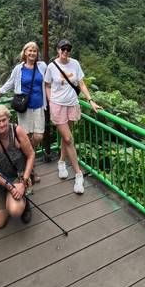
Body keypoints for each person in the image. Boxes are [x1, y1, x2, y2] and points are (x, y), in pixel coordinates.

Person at [44, 39, 102, 194]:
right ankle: (78, 174)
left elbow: (81, 84)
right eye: (63, 48)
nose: (65, 51)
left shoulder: (75, 64)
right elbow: (47, 85)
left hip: (72, 104)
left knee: (66, 137)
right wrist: (50, 101)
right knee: (69, 139)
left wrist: (90, 101)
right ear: (57, 50)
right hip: (58, 105)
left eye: (68, 49)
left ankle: (62, 162)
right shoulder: (51, 66)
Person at [0, 41, 47, 183]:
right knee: (26, 137)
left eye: (34, 51)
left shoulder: (42, 66)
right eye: (29, 50)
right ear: (24, 53)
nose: (32, 53)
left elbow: (49, 82)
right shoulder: (19, 69)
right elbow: (9, 83)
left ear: (37, 54)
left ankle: (26, 160)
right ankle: (31, 170)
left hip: (39, 106)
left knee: (38, 137)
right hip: (24, 108)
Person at [0, 105, 35, 228]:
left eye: (3, 120)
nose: (1, 124)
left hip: (18, 176)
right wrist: (9, 187)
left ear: (8, 119)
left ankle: (24, 200)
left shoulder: (17, 131)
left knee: (15, 211)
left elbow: (31, 154)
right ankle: (9, 197)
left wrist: (23, 182)